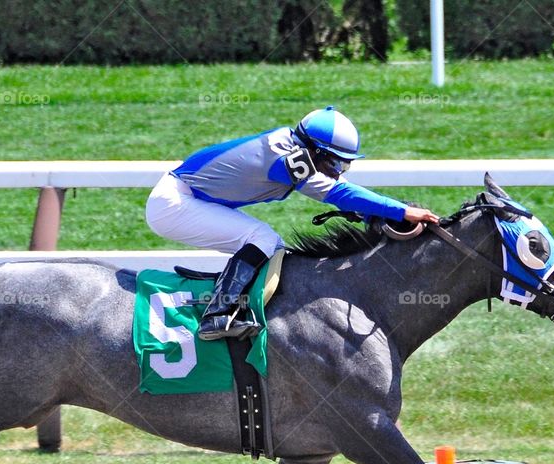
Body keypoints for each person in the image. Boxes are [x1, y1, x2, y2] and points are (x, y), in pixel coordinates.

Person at [145, 106, 439, 340]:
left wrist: (374, 214)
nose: (339, 171)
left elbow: (340, 190)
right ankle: (217, 316)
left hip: (188, 197)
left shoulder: (297, 149)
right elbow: (340, 193)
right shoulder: (285, 158)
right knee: (260, 238)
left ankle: (240, 310)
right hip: (173, 204)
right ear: (317, 152)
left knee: (273, 246)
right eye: (336, 163)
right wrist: (401, 211)